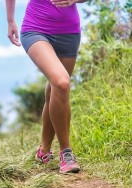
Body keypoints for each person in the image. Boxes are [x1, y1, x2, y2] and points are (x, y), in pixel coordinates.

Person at [5, 0, 87, 173]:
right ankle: (66, 153)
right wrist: (10, 20)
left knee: (56, 89)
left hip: (69, 32)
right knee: (62, 82)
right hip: (36, 29)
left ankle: (43, 150)